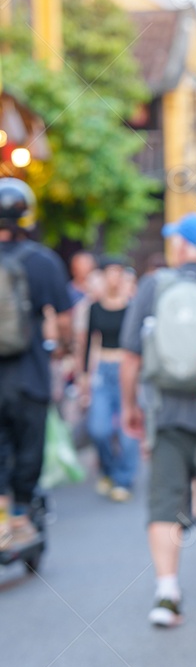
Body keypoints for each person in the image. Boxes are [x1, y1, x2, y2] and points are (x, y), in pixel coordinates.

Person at [120, 212, 196, 627]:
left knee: (164, 503)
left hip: (165, 414)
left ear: (183, 246)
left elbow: (131, 356)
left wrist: (130, 407)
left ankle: (167, 592)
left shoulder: (153, 286)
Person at [0, 179, 72, 547]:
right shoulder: (42, 260)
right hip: (29, 375)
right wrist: (59, 349)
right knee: (29, 446)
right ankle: (21, 515)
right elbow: (63, 320)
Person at [80, 255, 139, 502]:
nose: (114, 277)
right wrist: (83, 375)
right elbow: (86, 343)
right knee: (99, 428)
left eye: (118, 272)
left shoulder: (132, 306)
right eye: (109, 272)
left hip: (126, 368)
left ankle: (123, 479)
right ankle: (108, 470)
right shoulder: (93, 307)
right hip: (103, 370)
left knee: (128, 430)